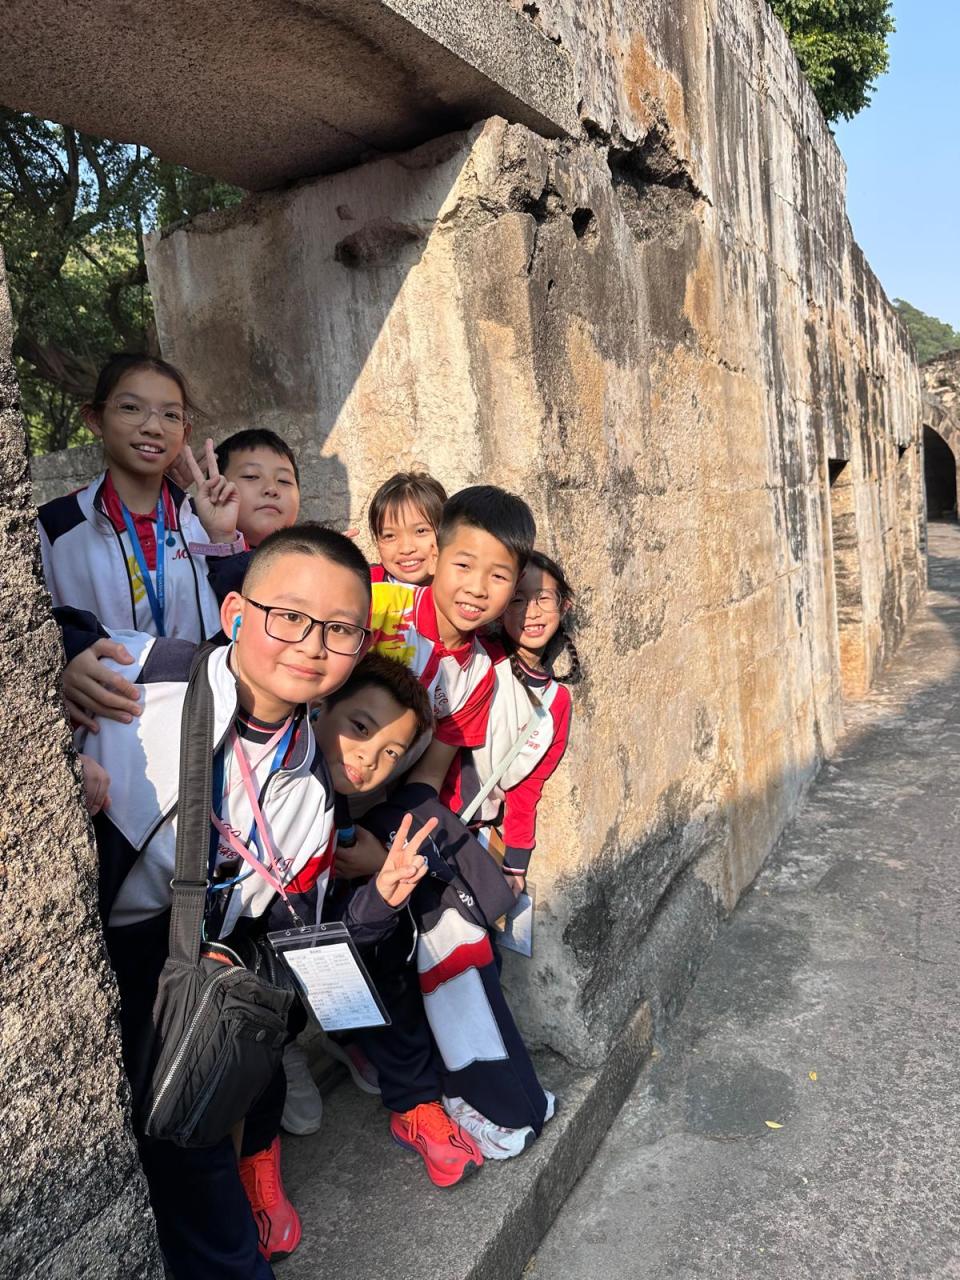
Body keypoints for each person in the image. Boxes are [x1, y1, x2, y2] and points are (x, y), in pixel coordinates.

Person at [78, 524, 436, 1280]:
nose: (311, 645)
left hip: (182, 974)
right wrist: (66, 661)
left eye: (339, 630)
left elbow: (295, 939)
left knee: (194, 1157)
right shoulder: (146, 673)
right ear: (236, 613)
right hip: (86, 948)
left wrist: (378, 903)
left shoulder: (312, 789)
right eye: (290, 617)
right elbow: (40, 625)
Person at [58, 425, 304, 733]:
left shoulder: (308, 563)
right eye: (252, 477)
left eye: (285, 480)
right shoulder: (190, 546)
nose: (271, 489)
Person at [38, 354, 242, 657]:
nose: (153, 427)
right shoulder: (55, 526)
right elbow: (39, 626)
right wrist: (71, 655)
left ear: (184, 433)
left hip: (201, 685)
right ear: (95, 419)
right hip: (110, 687)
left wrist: (224, 539)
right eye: (131, 408)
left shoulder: (204, 520)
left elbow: (243, 615)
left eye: (171, 415)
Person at [444, 550, 578, 890]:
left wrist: (515, 864)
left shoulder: (556, 704)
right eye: (517, 600)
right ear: (501, 607)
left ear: (564, 606)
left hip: (470, 834)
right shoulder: (479, 656)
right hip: (429, 813)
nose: (531, 612)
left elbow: (527, 785)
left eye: (543, 598)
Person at [366, 470, 447, 586]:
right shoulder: (364, 585)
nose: (406, 549)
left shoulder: (463, 589)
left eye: (420, 531)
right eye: (389, 536)